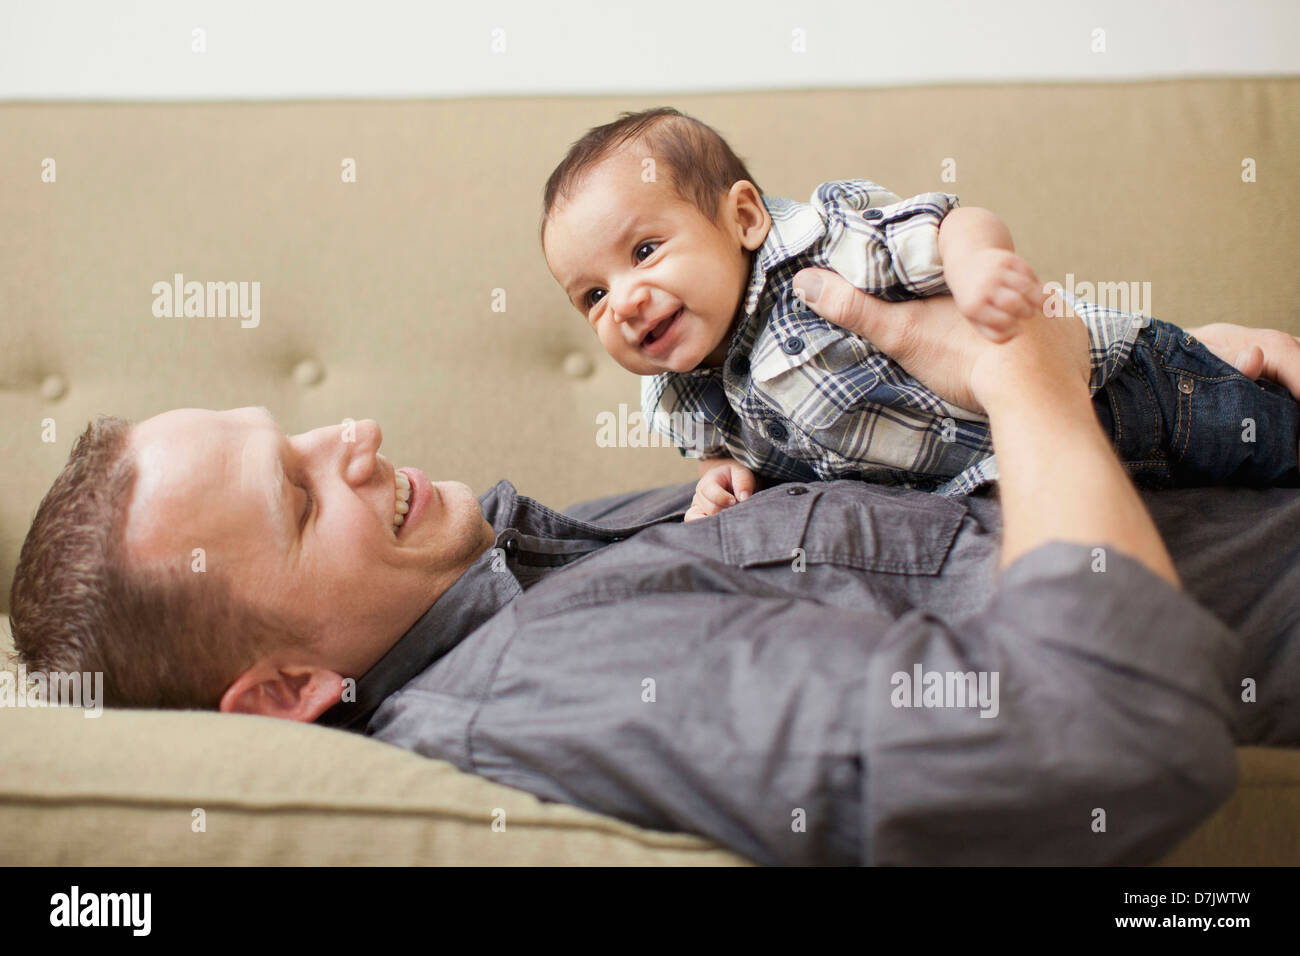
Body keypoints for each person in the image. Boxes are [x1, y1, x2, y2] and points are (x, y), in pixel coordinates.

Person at [10, 291, 1300, 864]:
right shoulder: (546, 683)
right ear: (289, 687)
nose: (346, 436)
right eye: (297, 496)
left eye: (287, 431)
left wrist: (1162, 384)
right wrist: (1036, 383)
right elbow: (1099, 738)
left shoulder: (525, 572)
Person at [539, 107, 1300, 519]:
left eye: (643, 252)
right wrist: (719, 478)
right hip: (1021, 476)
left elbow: (953, 223)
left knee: (1267, 439)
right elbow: (725, 455)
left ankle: (1245, 350)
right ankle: (1220, 345)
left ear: (742, 219)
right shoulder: (677, 395)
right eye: (593, 296)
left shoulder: (823, 253)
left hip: (1124, 396)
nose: (624, 303)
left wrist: (975, 272)